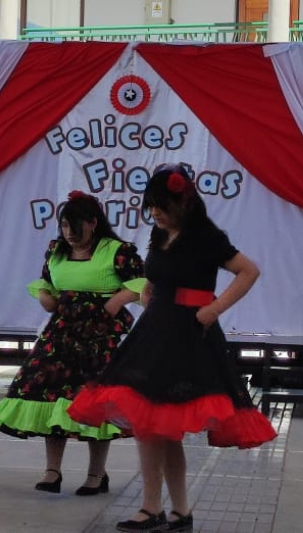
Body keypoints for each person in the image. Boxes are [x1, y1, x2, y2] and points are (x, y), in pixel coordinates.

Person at [68, 165, 277, 532]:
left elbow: (249, 271)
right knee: (154, 424)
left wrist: (213, 309)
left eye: (160, 206)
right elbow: (156, 274)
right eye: (150, 208)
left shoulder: (206, 237)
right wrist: (148, 290)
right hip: (155, 331)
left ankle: (162, 510)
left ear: (182, 201)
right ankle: (169, 511)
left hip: (187, 335)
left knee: (160, 425)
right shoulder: (158, 233)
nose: (154, 214)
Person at [0, 190, 145, 496]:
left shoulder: (117, 250)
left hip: (99, 335)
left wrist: (116, 302)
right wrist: (45, 295)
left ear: (93, 223)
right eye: (64, 227)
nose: (70, 234)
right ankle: (52, 470)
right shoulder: (56, 251)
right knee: (50, 396)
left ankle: (96, 474)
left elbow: (141, 282)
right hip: (61, 333)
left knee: (96, 401)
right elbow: (46, 281)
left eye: (76, 227)